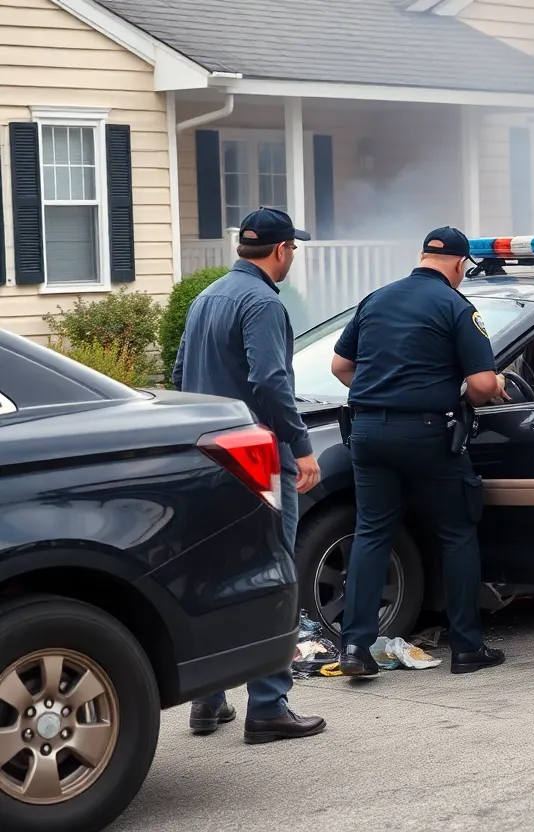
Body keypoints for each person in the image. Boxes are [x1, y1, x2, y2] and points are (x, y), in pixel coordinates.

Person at [173, 207, 326, 744]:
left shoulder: (205, 298)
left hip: (208, 453)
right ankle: (268, 706)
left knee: (214, 574)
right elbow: (269, 379)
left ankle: (207, 701)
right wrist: (301, 447)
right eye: (294, 250)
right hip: (257, 454)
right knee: (271, 574)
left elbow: (178, 376)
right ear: (282, 251)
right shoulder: (262, 301)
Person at [330, 226, 509, 676]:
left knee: (372, 533)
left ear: (422, 256)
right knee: (456, 531)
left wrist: (383, 395)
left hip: (367, 430)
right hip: (427, 434)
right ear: (459, 264)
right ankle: (468, 648)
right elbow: (484, 384)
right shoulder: (455, 306)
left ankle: (354, 649)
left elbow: (340, 366)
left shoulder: (377, 299)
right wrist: (486, 387)